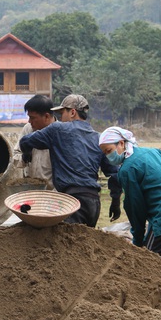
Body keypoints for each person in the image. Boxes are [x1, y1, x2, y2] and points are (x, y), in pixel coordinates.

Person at [19, 94, 122, 227]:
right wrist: (115, 202)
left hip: (70, 202)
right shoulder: (99, 138)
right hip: (93, 203)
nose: (60, 118)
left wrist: (27, 153)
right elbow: (115, 173)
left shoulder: (58, 129)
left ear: (72, 112)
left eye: (62, 113)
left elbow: (25, 141)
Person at [98, 126, 161, 262]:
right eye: (105, 153)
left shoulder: (127, 169)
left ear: (121, 143)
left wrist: (138, 241)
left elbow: (135, 208)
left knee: (150, 267)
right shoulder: (152, 152)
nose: (108, 156)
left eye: (109, 150)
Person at [13, 95, 55, 189]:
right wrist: (24, 157)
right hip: (30, 189)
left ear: (46, 116)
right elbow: (16, 155)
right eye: (29, 117)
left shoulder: (60, 133)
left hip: (51, 193)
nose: (29, 121)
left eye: (32, 118)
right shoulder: (28, 128)